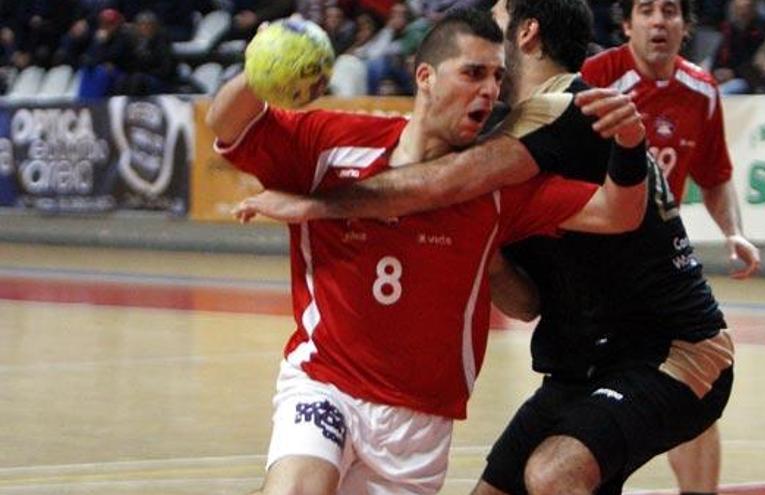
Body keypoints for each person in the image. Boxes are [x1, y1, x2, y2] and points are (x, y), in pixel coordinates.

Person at [242, 0, 733, 493]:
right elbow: (525, 302)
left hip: (670, 352)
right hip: (588, 362)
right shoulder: (517, 125)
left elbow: (439, 184)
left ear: (526, 33)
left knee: (554, 472)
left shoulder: (559, 108)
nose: (485, 25)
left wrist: (318, 205)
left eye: (497, 17)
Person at [580, 1, 761, 493]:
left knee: (697, 386)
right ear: (626, 24)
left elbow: (716, 177)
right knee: (590, 399)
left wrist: (733, 232)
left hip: (660, 263)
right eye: (646, 10)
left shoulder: (701, 89)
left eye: (670, 11)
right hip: (595, 265)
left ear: (685, 26)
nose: (659, 21)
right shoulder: (597, 75)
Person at [711, 0, 765, 95]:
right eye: (739, 8)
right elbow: (718, 54)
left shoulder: (760, 30)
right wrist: (716, 70)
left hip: (745, 79)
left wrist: (733, 73)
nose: (742, 12)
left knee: (720, 93)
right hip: (724, 74)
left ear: (753, 9)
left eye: (746, 8)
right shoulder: (730, 28)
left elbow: (755, 61)